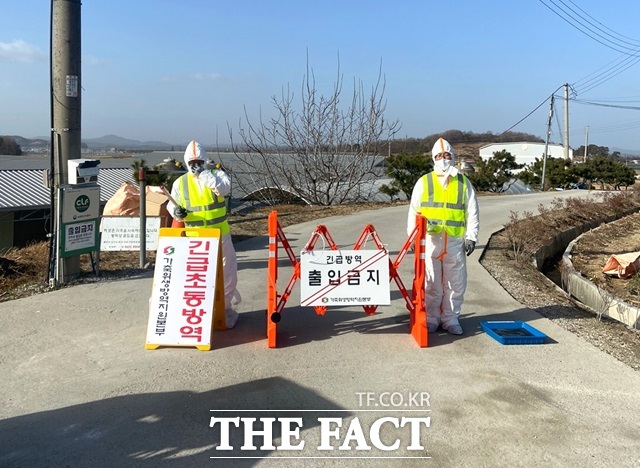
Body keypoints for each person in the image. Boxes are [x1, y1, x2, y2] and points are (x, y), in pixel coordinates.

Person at [407, 137, 479, 335]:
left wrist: (471, 236)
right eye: (439, 156)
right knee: (431, 282)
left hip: (455, 240)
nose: (443, 159)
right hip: (430, 240)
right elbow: (414, 211)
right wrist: (412, 237)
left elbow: (472, 210)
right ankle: (431, 318)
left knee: (455, 282)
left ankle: (450, 318)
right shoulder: (424, 182)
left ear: (453, 157)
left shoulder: (463, 183)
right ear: (433, 158)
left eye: (447, 155)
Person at [167, 140, 240, 329]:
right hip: (194, 238)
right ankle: (198, 314)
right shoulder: (180, 183)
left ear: (205, 160)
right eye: (192, 163)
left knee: (227, 274)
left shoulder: (217, 175)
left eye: (199, 162)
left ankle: (223, 310)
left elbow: (223, 189)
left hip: (220, 235)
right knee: (196, 279)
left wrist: (205, 175)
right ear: (186, 162)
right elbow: (171, 204)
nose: (195, 166)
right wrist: (175, 212)